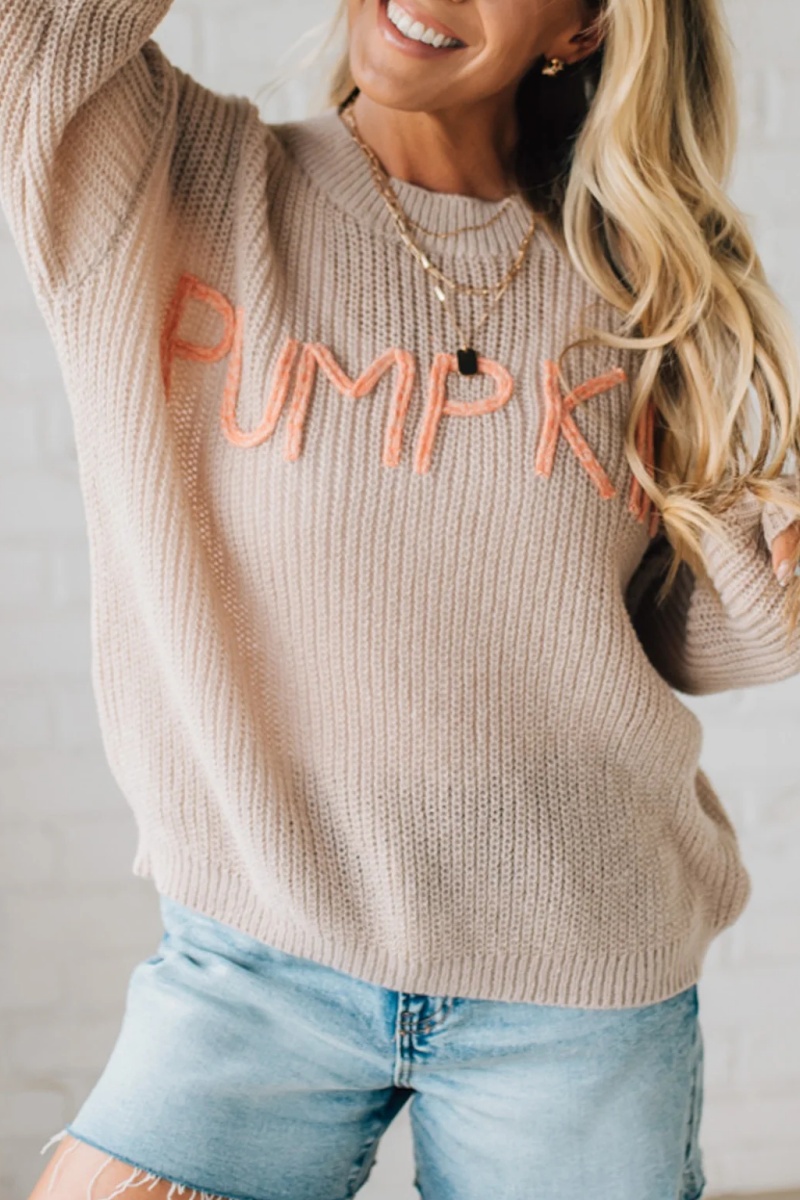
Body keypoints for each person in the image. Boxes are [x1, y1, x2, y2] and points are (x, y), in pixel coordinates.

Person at [4, 0, 800, 1197]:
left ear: (580, 31)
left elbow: (658, 632)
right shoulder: (161, 175)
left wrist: (768, 576)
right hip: (257, 965)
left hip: (578, 972)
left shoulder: (641, 280)